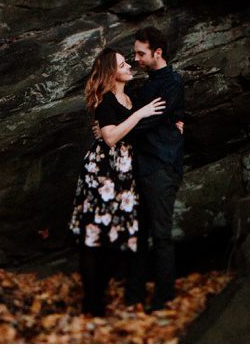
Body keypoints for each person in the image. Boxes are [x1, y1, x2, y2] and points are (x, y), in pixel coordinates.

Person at [68, 48, 165, 317]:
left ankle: (96, 295)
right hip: (102, 174)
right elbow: (110, 138)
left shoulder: (130, 99)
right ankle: (92, 300)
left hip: (124, 175)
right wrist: (140, 114)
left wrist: (174, 123)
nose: (130, 66)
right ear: (113, 73)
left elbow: (132, 131)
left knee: (118, 237)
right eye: (123, 64)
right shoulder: (106, 100)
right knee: (93, 237)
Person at [123, 26, 185, 312]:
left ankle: (163, 299)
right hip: (142, 166)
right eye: (134, 53)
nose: (135, 58)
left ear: (157, 53)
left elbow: (151, 120)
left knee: (160, 235)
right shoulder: (148, 84)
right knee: (138, 234)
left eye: (140, 53)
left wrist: (124, 128)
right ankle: (134, 296)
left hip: (161, 166)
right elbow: (145, 119)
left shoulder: (171, 82)